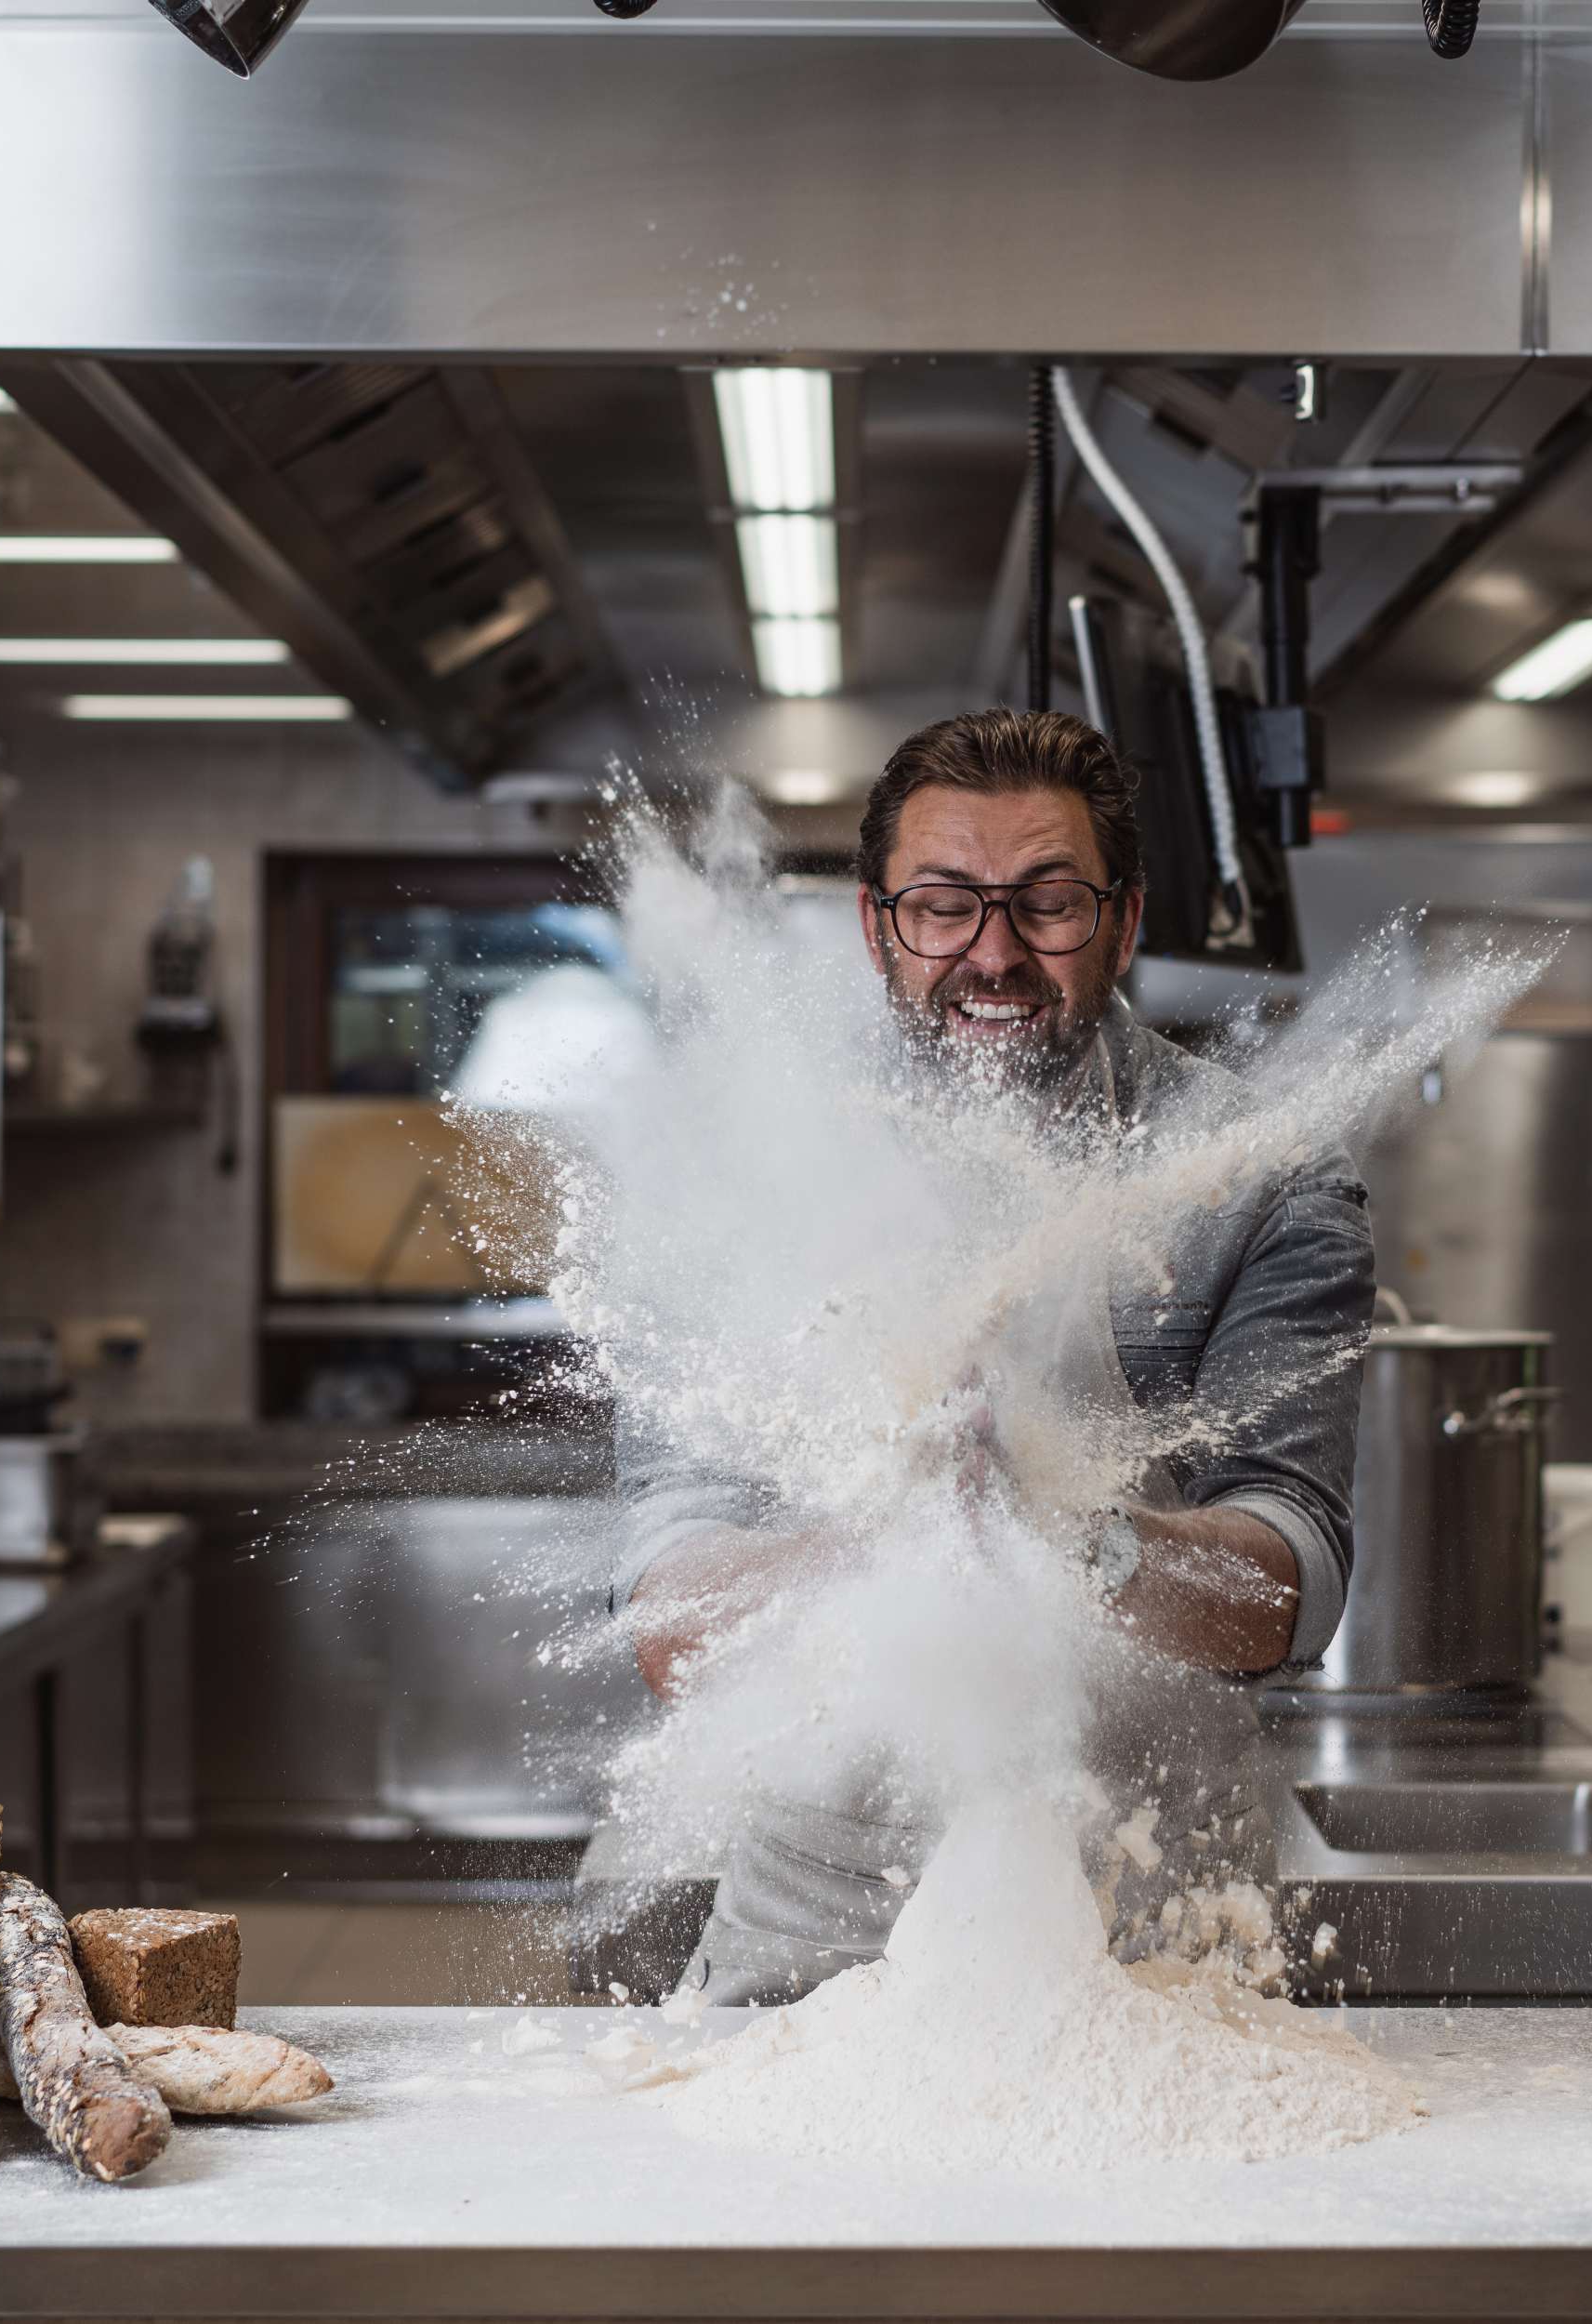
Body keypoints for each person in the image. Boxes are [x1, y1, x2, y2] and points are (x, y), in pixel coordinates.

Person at [609, 707, 1375, 2002]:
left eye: (1049, 904)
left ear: (1124, 923)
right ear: (878, 927)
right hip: (813, 1956)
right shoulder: (752, 1175)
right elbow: (672, 1627)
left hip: (1149, 1950)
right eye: (945, 905)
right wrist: (898, 1535)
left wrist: (1071, 1534)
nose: (994, 953)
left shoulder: (1262, 1178)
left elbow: (1286, 1594)